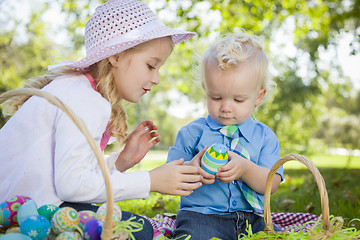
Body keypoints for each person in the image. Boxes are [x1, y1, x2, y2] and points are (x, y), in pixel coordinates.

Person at [0, 0, 204, 238]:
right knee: (140, 229)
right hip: (35, 214)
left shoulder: (74, 88)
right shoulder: (86, 99)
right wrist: (150, 180)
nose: (156, 78)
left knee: (130, 224)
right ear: (116, 56)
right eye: (151, 65)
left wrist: (122, 161)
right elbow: (72, 185)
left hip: (19, 208)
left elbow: (68, 172)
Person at [167, 32, 284, 239]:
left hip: (253, 217)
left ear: (259, 96)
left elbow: (271, 185)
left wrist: (246, 168)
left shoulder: (265, 136)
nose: (226, 108)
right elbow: (170, 177)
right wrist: (192, 170)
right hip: (201, 216)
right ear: (205, 89)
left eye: (238, 100)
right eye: (217, 97)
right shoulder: (191, 133)